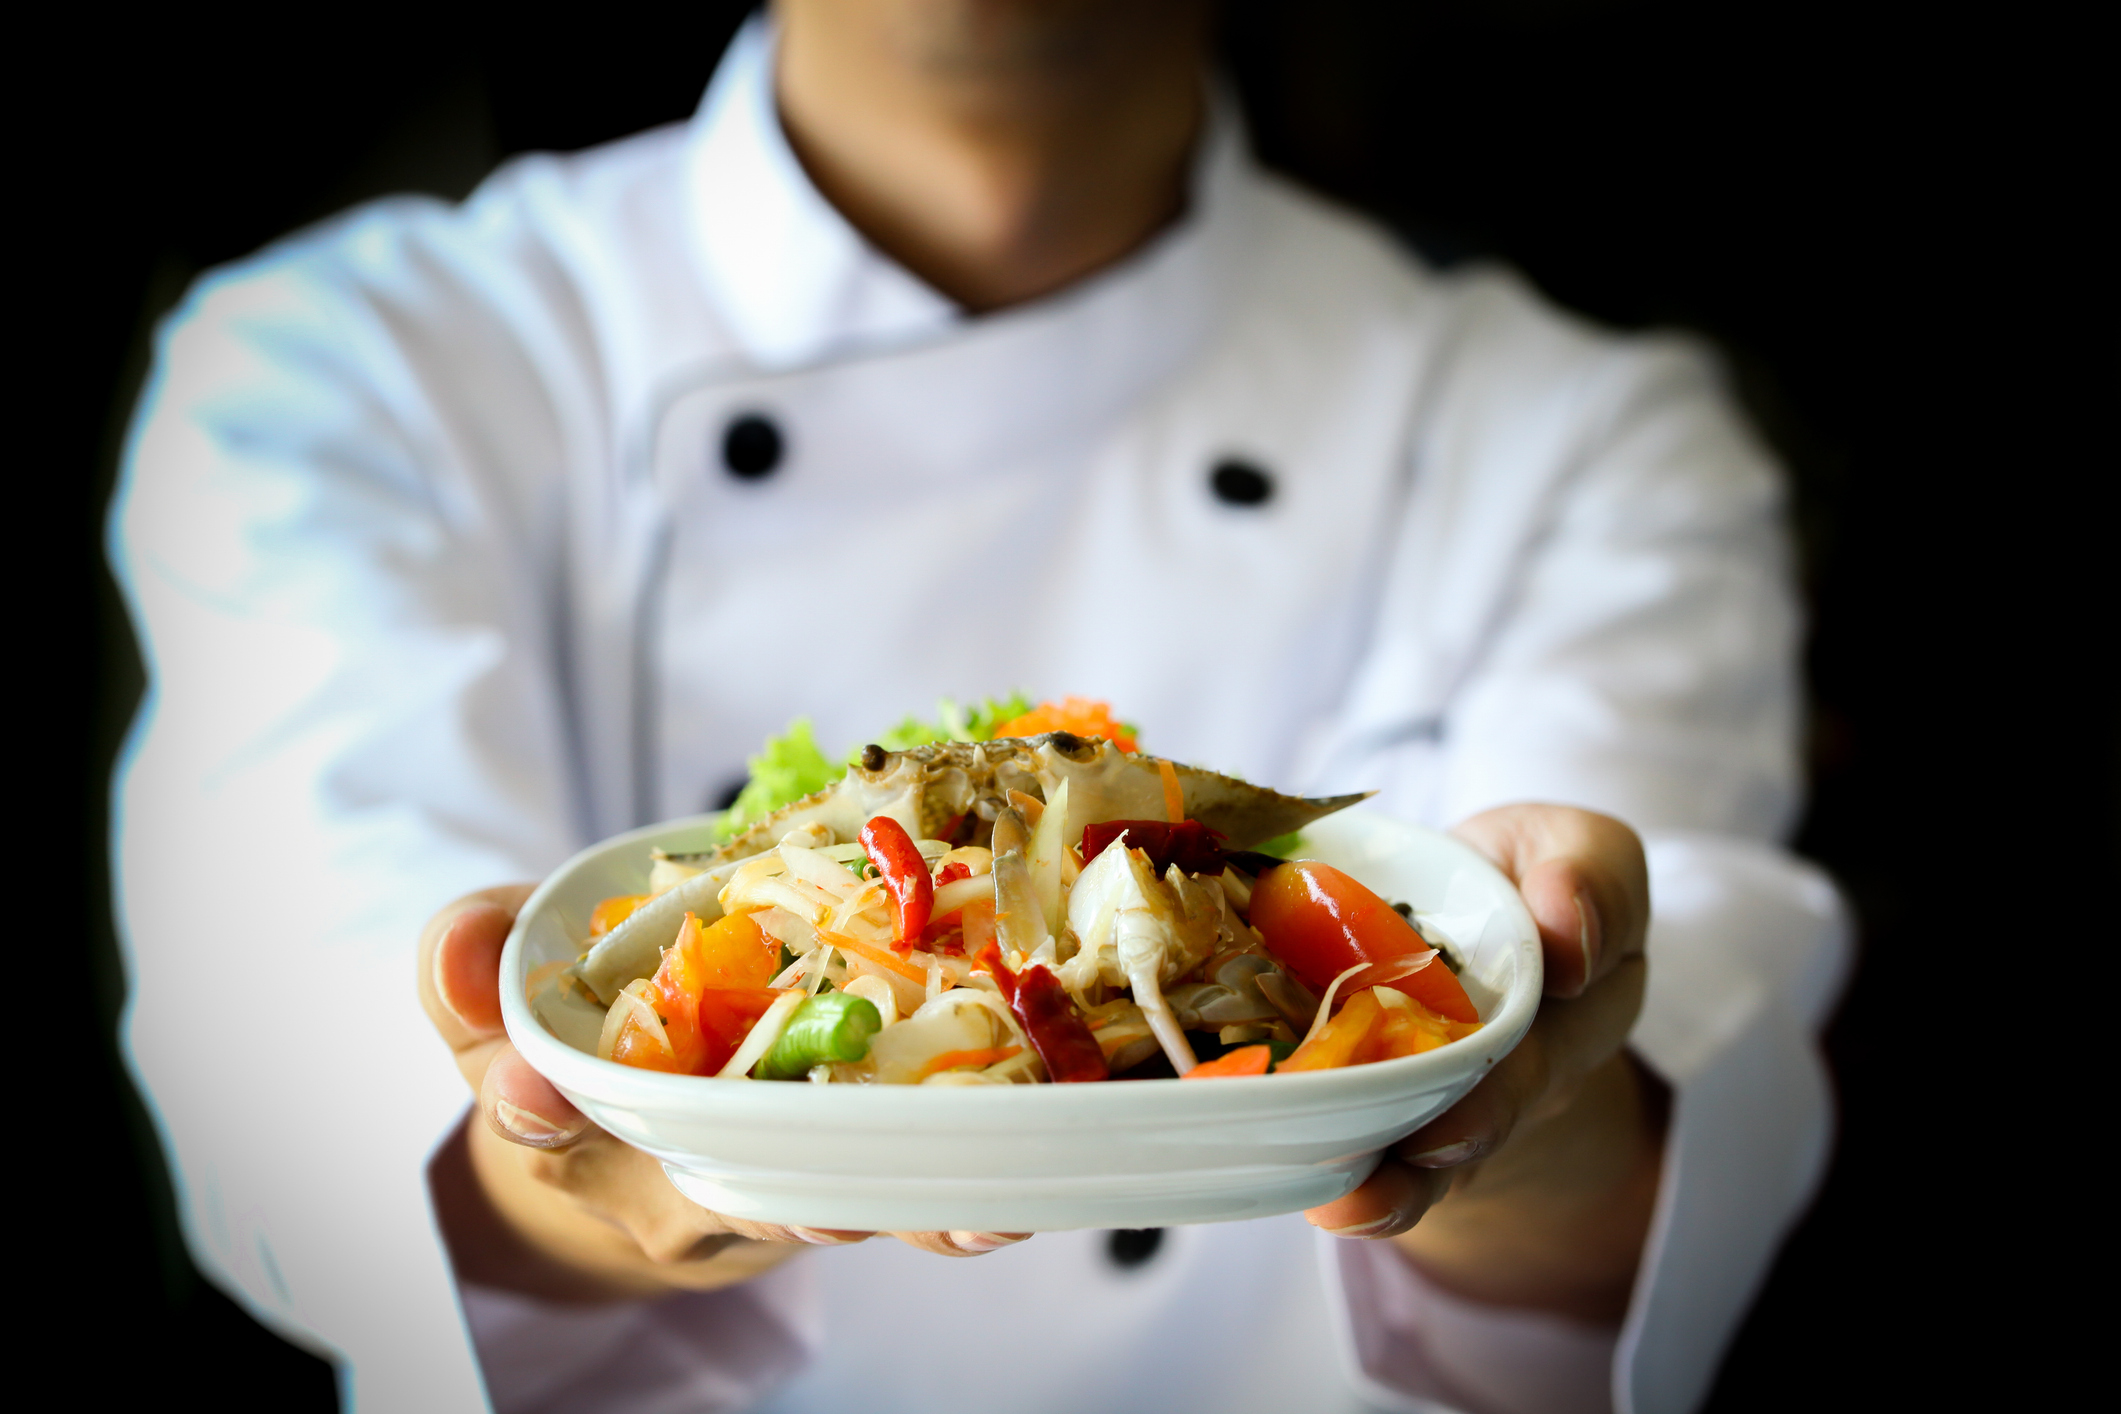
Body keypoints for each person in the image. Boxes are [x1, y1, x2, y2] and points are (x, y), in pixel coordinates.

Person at [109, 3, 1848, 1411]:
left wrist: (1524, 1102)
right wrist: (578, 1156)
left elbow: (1669, 1155)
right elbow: (296, 1056)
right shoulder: (346, 363)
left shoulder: (1584, 438)